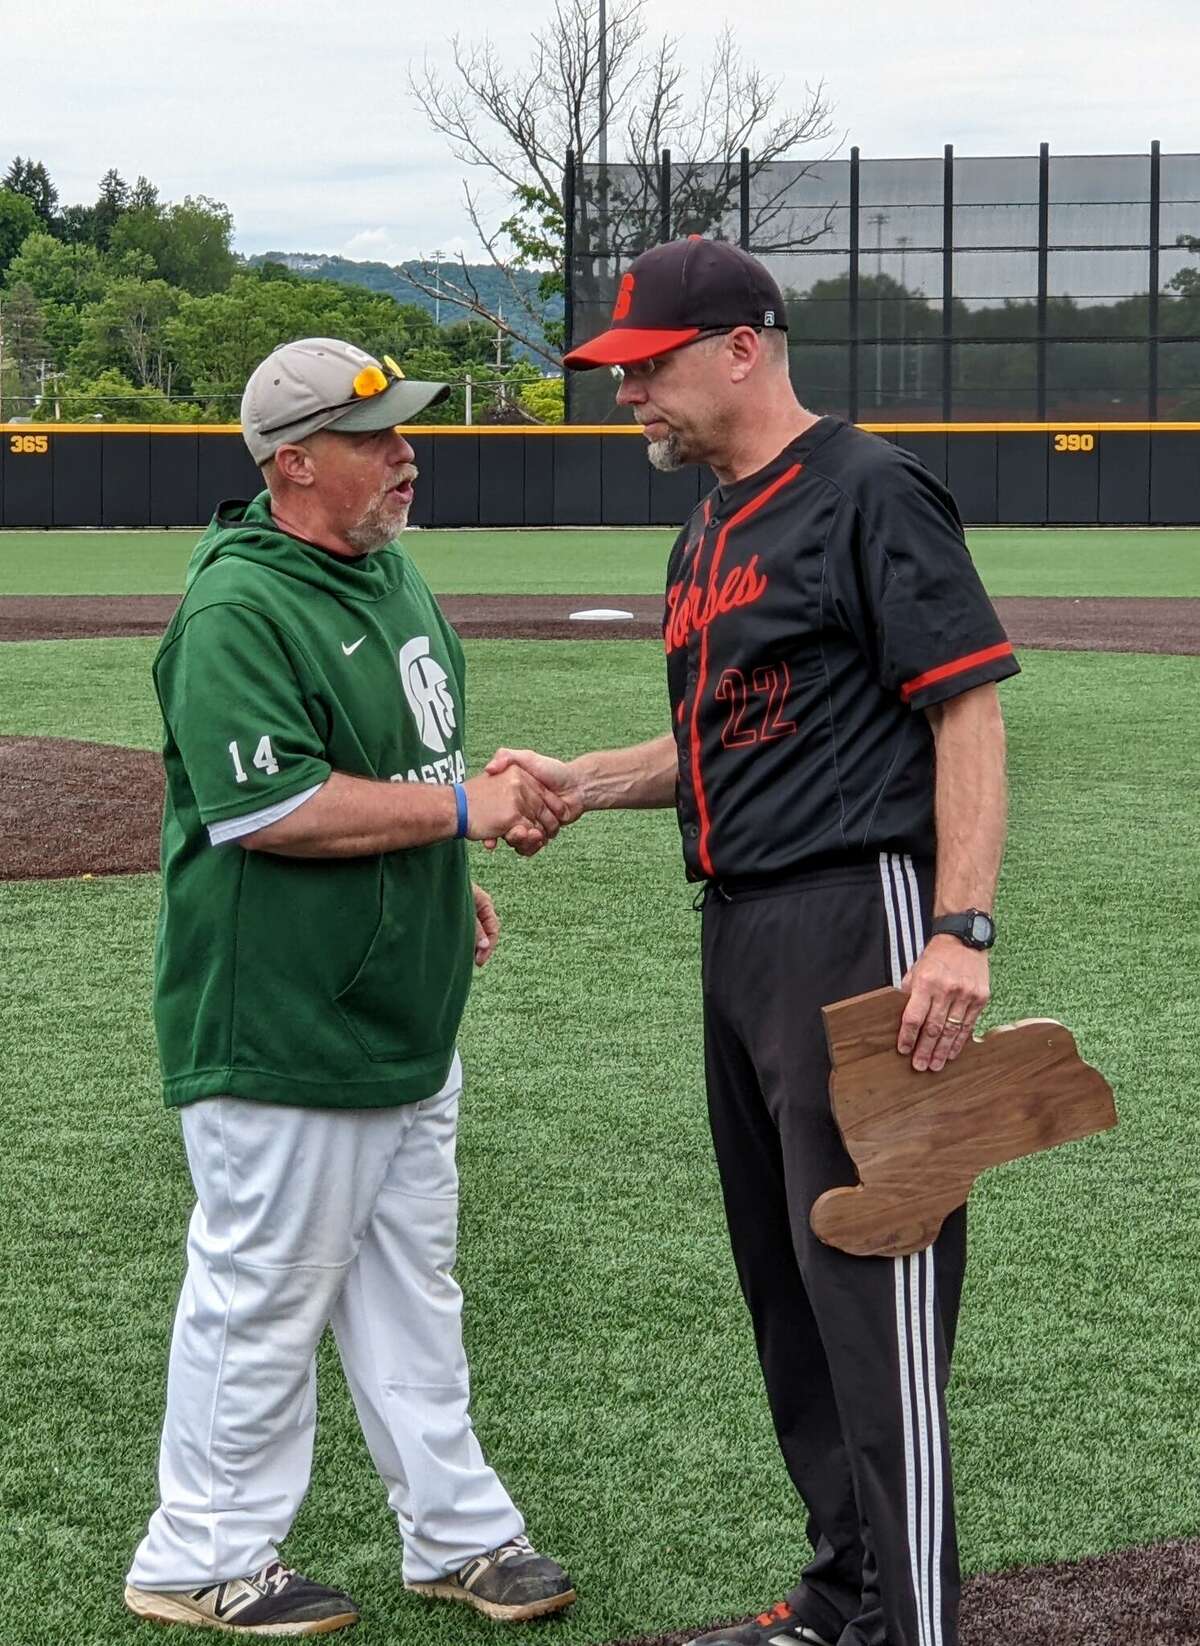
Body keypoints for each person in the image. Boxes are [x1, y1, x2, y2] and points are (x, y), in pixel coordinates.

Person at [490, 240, 1019, 1646]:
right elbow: (722, 743)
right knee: (788, 1293)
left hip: (864, 919)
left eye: (645, 368)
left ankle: (910, 1627)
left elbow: (964, 707)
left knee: (874, 1289)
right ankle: (843, 1594)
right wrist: (586, 783)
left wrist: (960, 929)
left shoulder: (869, 489)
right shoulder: (707, 530)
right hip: (739, 935)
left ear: (742, 346)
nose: (628, 399)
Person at [123, 338, 575, 1637]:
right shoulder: (237, 609)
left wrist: (439, 876)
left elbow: (385, 772)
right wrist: (462, 813)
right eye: (377, 437)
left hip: (399, 1007)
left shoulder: (384, 571)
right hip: (279, 1016)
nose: (408, 452)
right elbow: (272, 806)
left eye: (406, 432)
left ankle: (457, 1531)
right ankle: (197, 1548)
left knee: (409, 1285)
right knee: (262, 1285)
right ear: (295, 460)